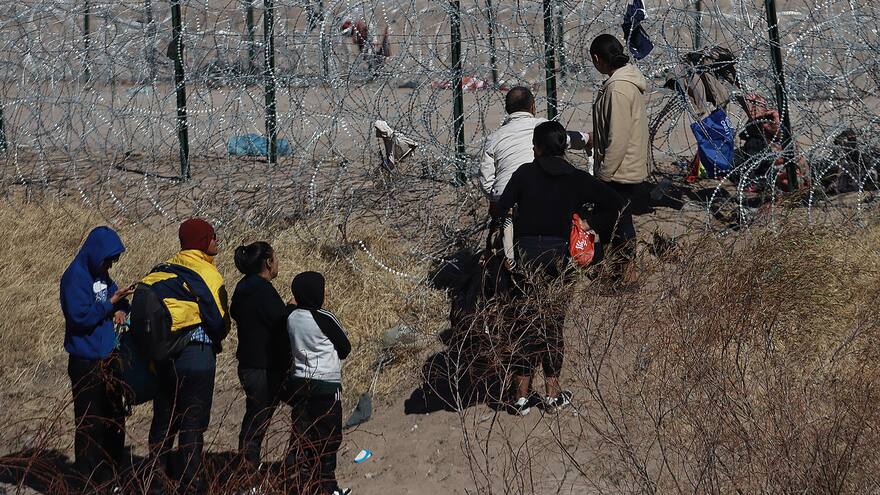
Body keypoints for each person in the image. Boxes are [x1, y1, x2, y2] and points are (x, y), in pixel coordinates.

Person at [494, 121, 633, 416]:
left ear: (537, 148)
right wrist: (589, 224)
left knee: (525, 323)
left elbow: (500, 209)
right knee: (553, 323)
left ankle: (520, 397)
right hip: (559, 258)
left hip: (525, 257)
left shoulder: (524, 173)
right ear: (563, 148)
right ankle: (552, 394)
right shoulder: (576, 178)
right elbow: (619, 204)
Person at [145, 218, 230, 494]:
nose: (216, 240)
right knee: (192, 424)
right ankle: (190, 483)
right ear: (203, 241)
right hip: (197, 358)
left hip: (164, 358)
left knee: (164, 420)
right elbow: (219, 322)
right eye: (213, 236)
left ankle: (155, 482)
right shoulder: (207, 273)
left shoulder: (163, 270)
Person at [480, 86, 589, 264]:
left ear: (507, 110)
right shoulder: (544, 129)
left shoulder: (495, 137)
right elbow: (566, 139)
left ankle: (502, 258)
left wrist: (495, 198)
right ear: (533, 107)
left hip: (507, 204)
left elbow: (486, 181)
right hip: (544, 199)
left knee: (496, 245)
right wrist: (588, 138)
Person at [61, 226, 133, 490]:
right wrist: (109, 304)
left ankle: (110, 477)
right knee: (90, 423)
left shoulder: (101, 275)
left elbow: (115, 299)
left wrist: (121, 307)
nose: (109, 266)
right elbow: (79, 318)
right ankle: (87, 481)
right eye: (107, 260)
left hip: (108, 356)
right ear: (95, 254)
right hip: (86, 361)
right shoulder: (75, 278)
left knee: (114, 419)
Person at [282, 271, 351, 495]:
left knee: (305, 435)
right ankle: (327, 487)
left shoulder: (291, 318)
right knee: (329, 437)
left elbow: (288, 311)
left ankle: (306, 484)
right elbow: (345, 347)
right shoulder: (324, 317)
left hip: (300, 385)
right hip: (326, 386)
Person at [231, 241, 291, 469]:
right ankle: (249, 467)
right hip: (264, 367)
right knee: (260, 417)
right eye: (275, 258)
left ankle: (247, 464)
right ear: (268, 262)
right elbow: (280, 323)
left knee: (256, 416)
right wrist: (291, 309)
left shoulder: (243, 287)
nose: (278, 262)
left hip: (249, 364)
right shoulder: (263, 291)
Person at [589, 34, 651, 214]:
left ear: (597, 58)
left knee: (617, 221)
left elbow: (618, 138)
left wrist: (604, 175)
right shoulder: (625, 82)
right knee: (619, 219)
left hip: (620, 172)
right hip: (624, 168)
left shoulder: (617, 89)